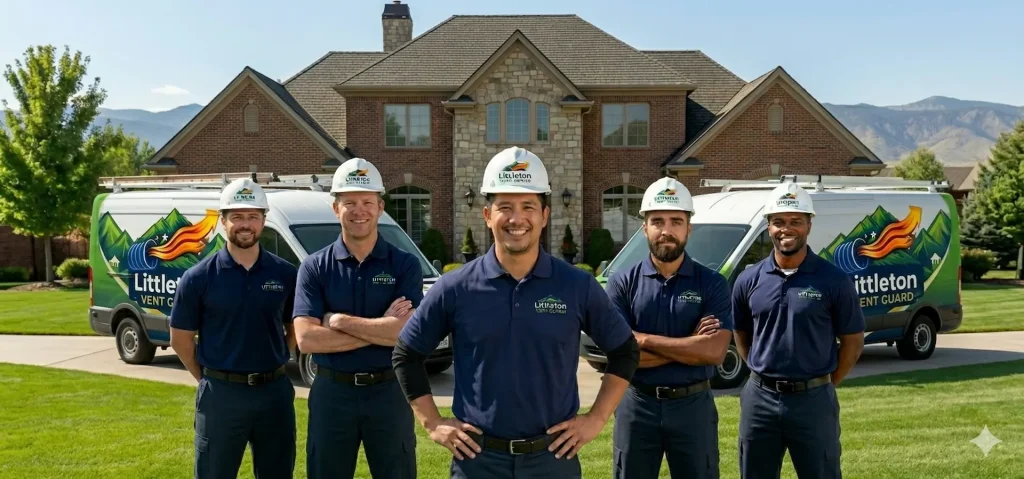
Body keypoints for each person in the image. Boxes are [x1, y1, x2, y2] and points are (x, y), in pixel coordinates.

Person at [392, 146, 640, 479]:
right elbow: (406, 355)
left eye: (528, 207)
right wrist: (432, 422)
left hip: (552, 459)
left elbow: (624, 352)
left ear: (544, 215)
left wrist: (595, 419)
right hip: (477, 461)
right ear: (487, 215)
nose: (516, 219)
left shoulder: (576, 285)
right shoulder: (455, 287)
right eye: (504, 207)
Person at [291, 157, 423, 479]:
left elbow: (405, 334)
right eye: (349, 202)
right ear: (336, 209)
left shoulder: (404, 265)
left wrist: (339, 321)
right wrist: (380, 326)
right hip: (331, 395)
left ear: (380, 207)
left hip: (389, 392)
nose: (359, 210)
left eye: (367, 202)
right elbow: (307, 339)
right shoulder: (314, 267)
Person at [731, 182, 865, 479]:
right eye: (778, 222)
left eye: (795, 221)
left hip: (813, 400)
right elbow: (741, 331)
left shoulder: (833, 280)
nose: (786, 229)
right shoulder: (748, 279)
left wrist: (825, 383)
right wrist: (757, 364)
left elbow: (853, 342)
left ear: (808, 225)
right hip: (759, 399)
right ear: (768, 227)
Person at [604, 177, 734, 479]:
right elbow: (620, 354)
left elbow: (714, 352)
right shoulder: (622, 282)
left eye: (676, 221)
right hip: (637, 405)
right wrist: (690, 343)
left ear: (689, 228)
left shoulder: (712, 283)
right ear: (644, 228)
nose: (666, 231)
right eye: (657, 221)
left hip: (693, 408)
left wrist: (644, 340)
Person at [169, 178, 298, 479]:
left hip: (274, 394)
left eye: (253, 216)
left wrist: (282, 355)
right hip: (221, 396)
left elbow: (295, 326)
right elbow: (181, 340)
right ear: (223, 222)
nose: (245, 224)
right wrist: (208, 379)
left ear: (264, 221)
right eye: (237, 217)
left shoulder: (285, 274)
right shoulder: (198, 277)